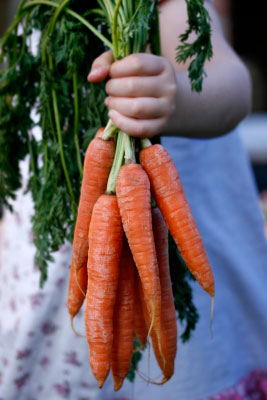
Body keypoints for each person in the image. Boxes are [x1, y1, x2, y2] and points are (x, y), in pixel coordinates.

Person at [0, 1, 266, 399]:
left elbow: (232, 87)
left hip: (185, 292)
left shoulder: (165, 5)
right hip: (44, 292)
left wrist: (174, 98)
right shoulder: (41, 14)